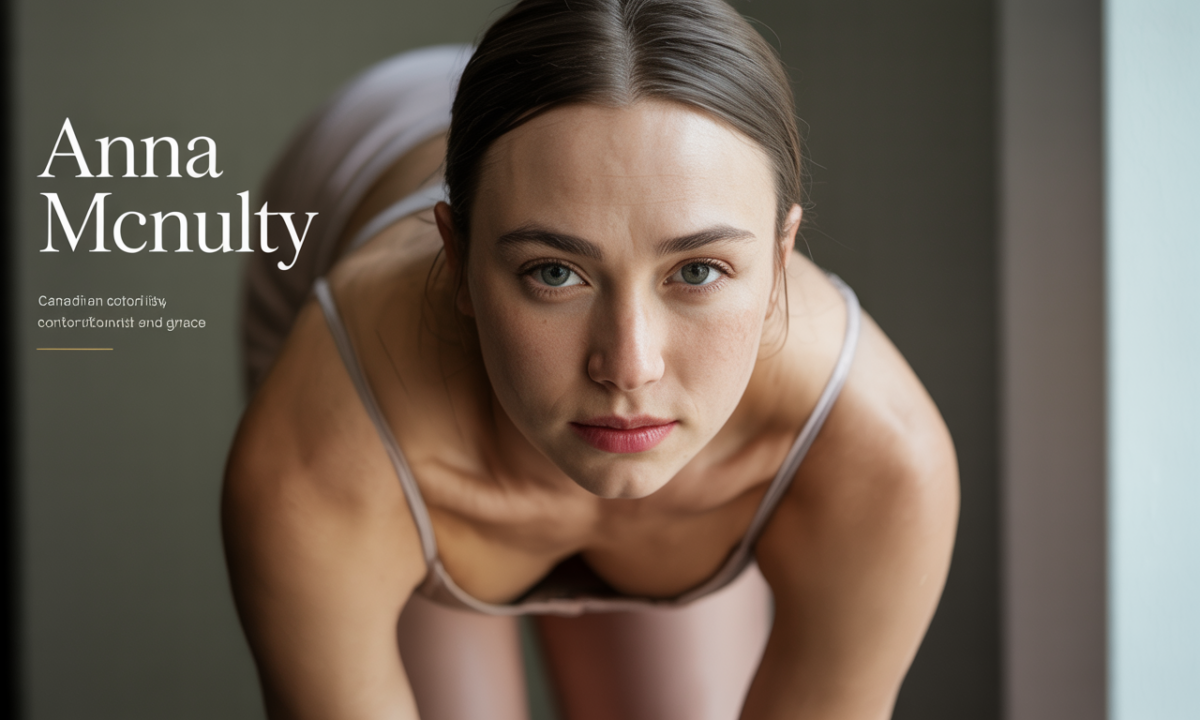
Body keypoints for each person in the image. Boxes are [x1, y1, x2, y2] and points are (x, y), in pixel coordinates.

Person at [223, 1, 960, 719]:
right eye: (553, 272)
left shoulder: (878, 454)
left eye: (697, 271)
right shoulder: (319, 454)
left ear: (777, 260)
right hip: (363, 179)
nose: (628, 367)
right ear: (458, 259)